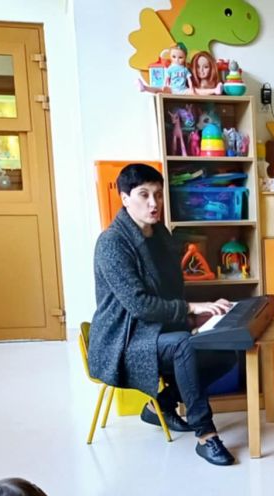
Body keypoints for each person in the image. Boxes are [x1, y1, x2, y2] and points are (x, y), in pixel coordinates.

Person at [88, 162, 238, 465]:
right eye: (143, 195)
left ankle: (160, 404)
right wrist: (190, 309)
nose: (154, 203)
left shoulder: (160, 235)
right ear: (125, 198)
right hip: (122, 339)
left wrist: (199, 314)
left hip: (157, 329)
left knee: (226, 352)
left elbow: (170, 292)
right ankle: (206, 436)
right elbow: (140, 305)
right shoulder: (111, 242)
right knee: (184, 345)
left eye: (158, 194)